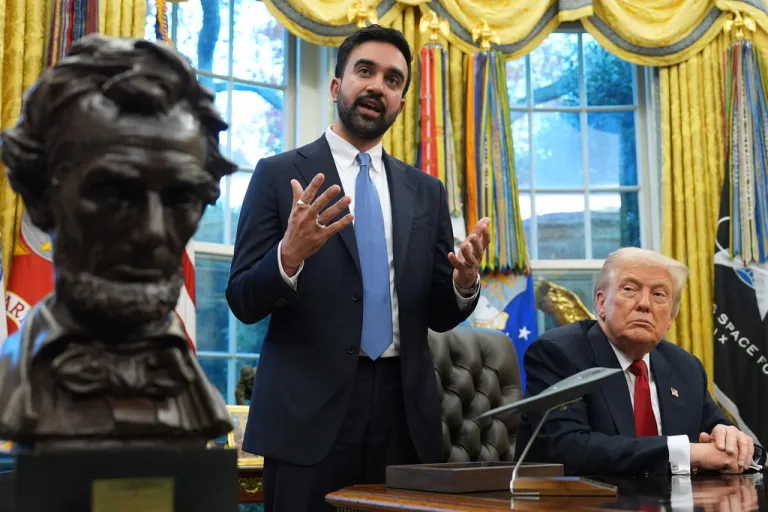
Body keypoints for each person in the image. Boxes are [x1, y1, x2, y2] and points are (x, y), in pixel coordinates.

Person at [227, 25, 490, 511]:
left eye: (393, 80)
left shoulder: (425, 192)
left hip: (403, 415)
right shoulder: (277, 173)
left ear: (401, 103)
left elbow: (436, 312)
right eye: (364, 71)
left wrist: (462, 284)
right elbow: (242, 299)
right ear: (336, 86)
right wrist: (289, 255)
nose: (377, 86)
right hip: (307, 416)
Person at [0, 35, 236, 444]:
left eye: (180, 199)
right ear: (40, 195)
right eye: (113, 195)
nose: (152, 233)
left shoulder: (196, 394)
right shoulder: (11, 382)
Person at [516, 247, 765, 475]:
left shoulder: (685, 367)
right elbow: (567, 450)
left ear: (671, 318)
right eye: (629, 289)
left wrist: (734, 441)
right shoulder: (559, 353)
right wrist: (688, 452)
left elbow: (723, 437)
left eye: (659, 294)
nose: (645, 304)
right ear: (601, 303)